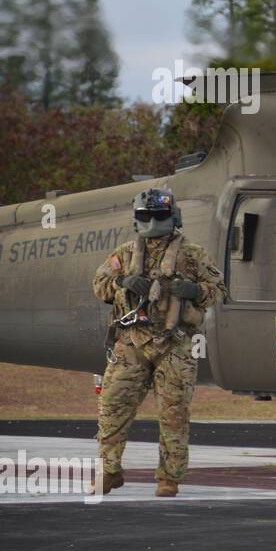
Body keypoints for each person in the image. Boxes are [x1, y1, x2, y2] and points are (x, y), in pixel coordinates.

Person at [90, 187, 227, 497]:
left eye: (159, 216)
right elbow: (99, 285)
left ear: (172, 217)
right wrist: (122, 282)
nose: (152, 222)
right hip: (132, 342)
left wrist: (193, 291)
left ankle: (170, 478)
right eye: (146, 216)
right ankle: (109, 471)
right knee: (112, 408)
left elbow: (218, 289)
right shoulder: (125, 254)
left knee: (173, 413)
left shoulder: (193, 255)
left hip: (175, 344)